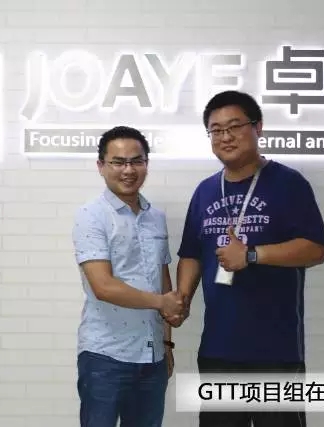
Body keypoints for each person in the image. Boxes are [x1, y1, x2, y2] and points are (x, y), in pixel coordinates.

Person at [174, 90, 324, 427]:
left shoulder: (288, 183)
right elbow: (191, 253)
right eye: (216, 130)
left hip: (275, 350)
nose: (225, 137)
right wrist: (182, 298)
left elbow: (316, 248)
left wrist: (252, 255)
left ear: (257, 127)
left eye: (234, 126)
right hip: (218, 348)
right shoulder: (204, 191)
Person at [72, 125, 184, 427]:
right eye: (118, 162)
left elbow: (163, 281)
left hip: (152, 357)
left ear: (146, 164)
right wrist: (162, 302)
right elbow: (103, 286)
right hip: (104, 357)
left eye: (137, 161)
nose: (128, 170)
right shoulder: (91, 215)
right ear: (101, 166)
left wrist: (167, 343)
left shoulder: (156, 218)